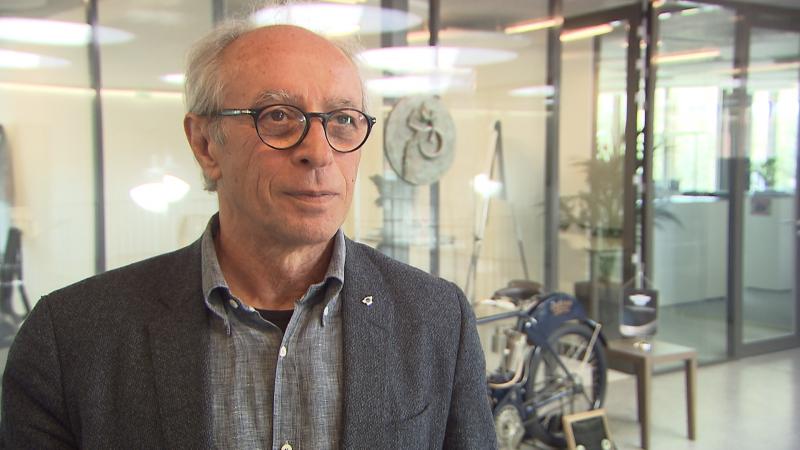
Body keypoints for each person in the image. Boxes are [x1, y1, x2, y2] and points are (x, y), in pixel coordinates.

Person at [0, 19, 497, 450]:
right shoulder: (72, 338)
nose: (319, 152)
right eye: (278, 117)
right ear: (204, 144)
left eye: (344, 120)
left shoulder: (435, 319)